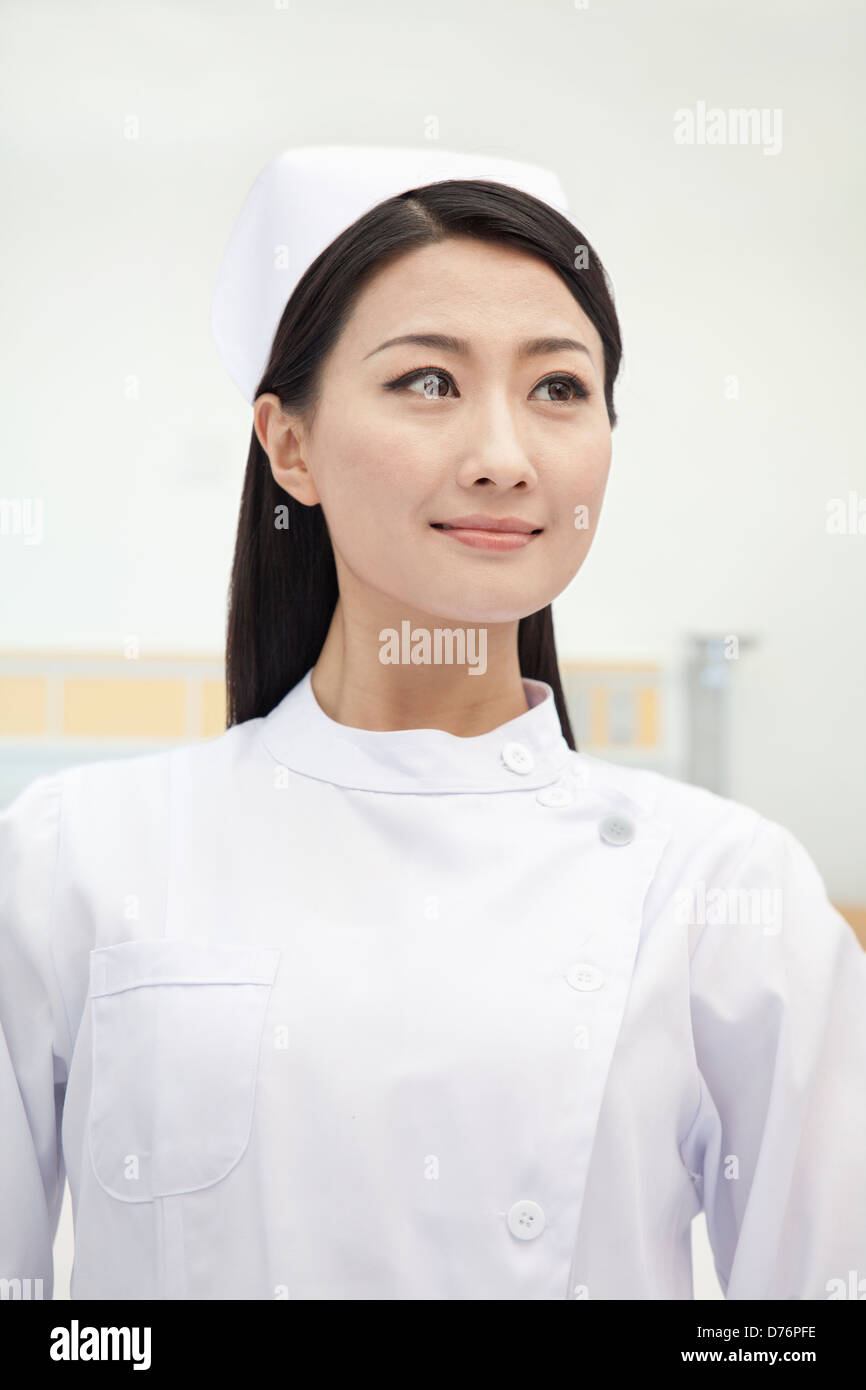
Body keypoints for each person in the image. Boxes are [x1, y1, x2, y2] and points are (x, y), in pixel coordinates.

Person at [1, 155, 865, 1301]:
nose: (504, 458)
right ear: (288, 446)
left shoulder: (718, 890)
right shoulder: (77, 859)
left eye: (558, 387)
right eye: (426, 382)